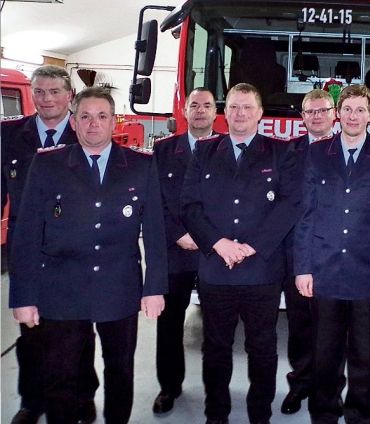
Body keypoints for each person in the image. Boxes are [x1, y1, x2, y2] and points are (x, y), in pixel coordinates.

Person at [8, 86, 168, 424]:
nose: (93, 124)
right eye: (85, 116)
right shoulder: (48, 163)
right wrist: (23, 296)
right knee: (60, 375)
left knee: (120, 372)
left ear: (114, 122)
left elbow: (155, 232)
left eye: (101, 117)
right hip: (62, 289)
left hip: (119, 288)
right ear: (74, 121)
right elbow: (26, 234)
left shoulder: (141, 166)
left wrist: (154, 288)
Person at [180, 83, 300, 424]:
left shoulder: (281, 152)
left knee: (262, 349)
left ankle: (259, 413)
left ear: (260, 113)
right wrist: (218, 244)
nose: (240, 114)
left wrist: (252, 246)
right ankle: (215, 413)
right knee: (215, 348)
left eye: (247, 107)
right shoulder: (204, 152)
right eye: (234, 107)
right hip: (215, 269)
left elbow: (290, 204)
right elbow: (189, 206)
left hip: (261, 271)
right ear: (225, 111)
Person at [294, 84, 370, 424]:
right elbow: (305, 215)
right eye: (348, 109)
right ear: (338, 114)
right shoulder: (316, 154)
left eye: (361, 110)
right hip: (324, 270)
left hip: (367, 274)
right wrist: (303, 268)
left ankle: (359, 413)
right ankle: (324, 413)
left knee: (364, 354)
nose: (354, 116)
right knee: (324, 352)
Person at [1, 65, 99, 424]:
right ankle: (32, 400)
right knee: (30, 328)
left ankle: (83, 394)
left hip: (75, 249)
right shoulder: (8, 134)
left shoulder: (87, 133)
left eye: (55, 91)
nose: (46, 100)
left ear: (69, 96)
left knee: (78, 328)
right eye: (39, 92)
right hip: (26, 248)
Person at [151, 87, 218, 414]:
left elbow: (235, 203)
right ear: (185, 110)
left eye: (207, 105)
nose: (201, 110)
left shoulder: (228, 147)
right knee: (169, 325)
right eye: (195, 105)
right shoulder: (163, 151)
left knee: (217, 331)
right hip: (175, 252)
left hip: (214, 253)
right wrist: (179, 234)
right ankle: (169, 387)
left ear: (215, 111)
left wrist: (207, 238)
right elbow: (155, 200)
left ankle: (215, 391)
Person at [281, 88, 342, 415]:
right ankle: (300, 383)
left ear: (334, 113)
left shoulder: (349, 150)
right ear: (302, 117)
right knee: (300, 326)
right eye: (310, 111)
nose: (316, 117)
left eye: (322, 110)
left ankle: (332, 391)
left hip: (339, 257)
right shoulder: (288, 153)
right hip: (298, 255)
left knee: (336, 328)